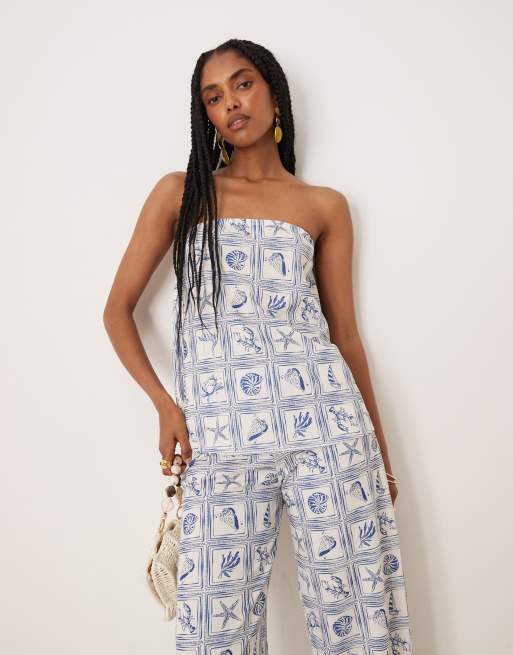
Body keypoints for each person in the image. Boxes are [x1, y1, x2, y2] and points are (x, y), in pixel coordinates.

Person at [103, 38, 414, 655]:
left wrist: (379, 453)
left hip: (327, 427)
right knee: (216, 631)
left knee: (356, 619)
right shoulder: (181, 193)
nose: (230, 103)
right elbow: (117, 311)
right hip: (220, 434)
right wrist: (165, 405)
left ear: (274, 92)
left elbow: (345, 336)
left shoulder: (323, 205)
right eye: (212, 97)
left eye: (242, 84)